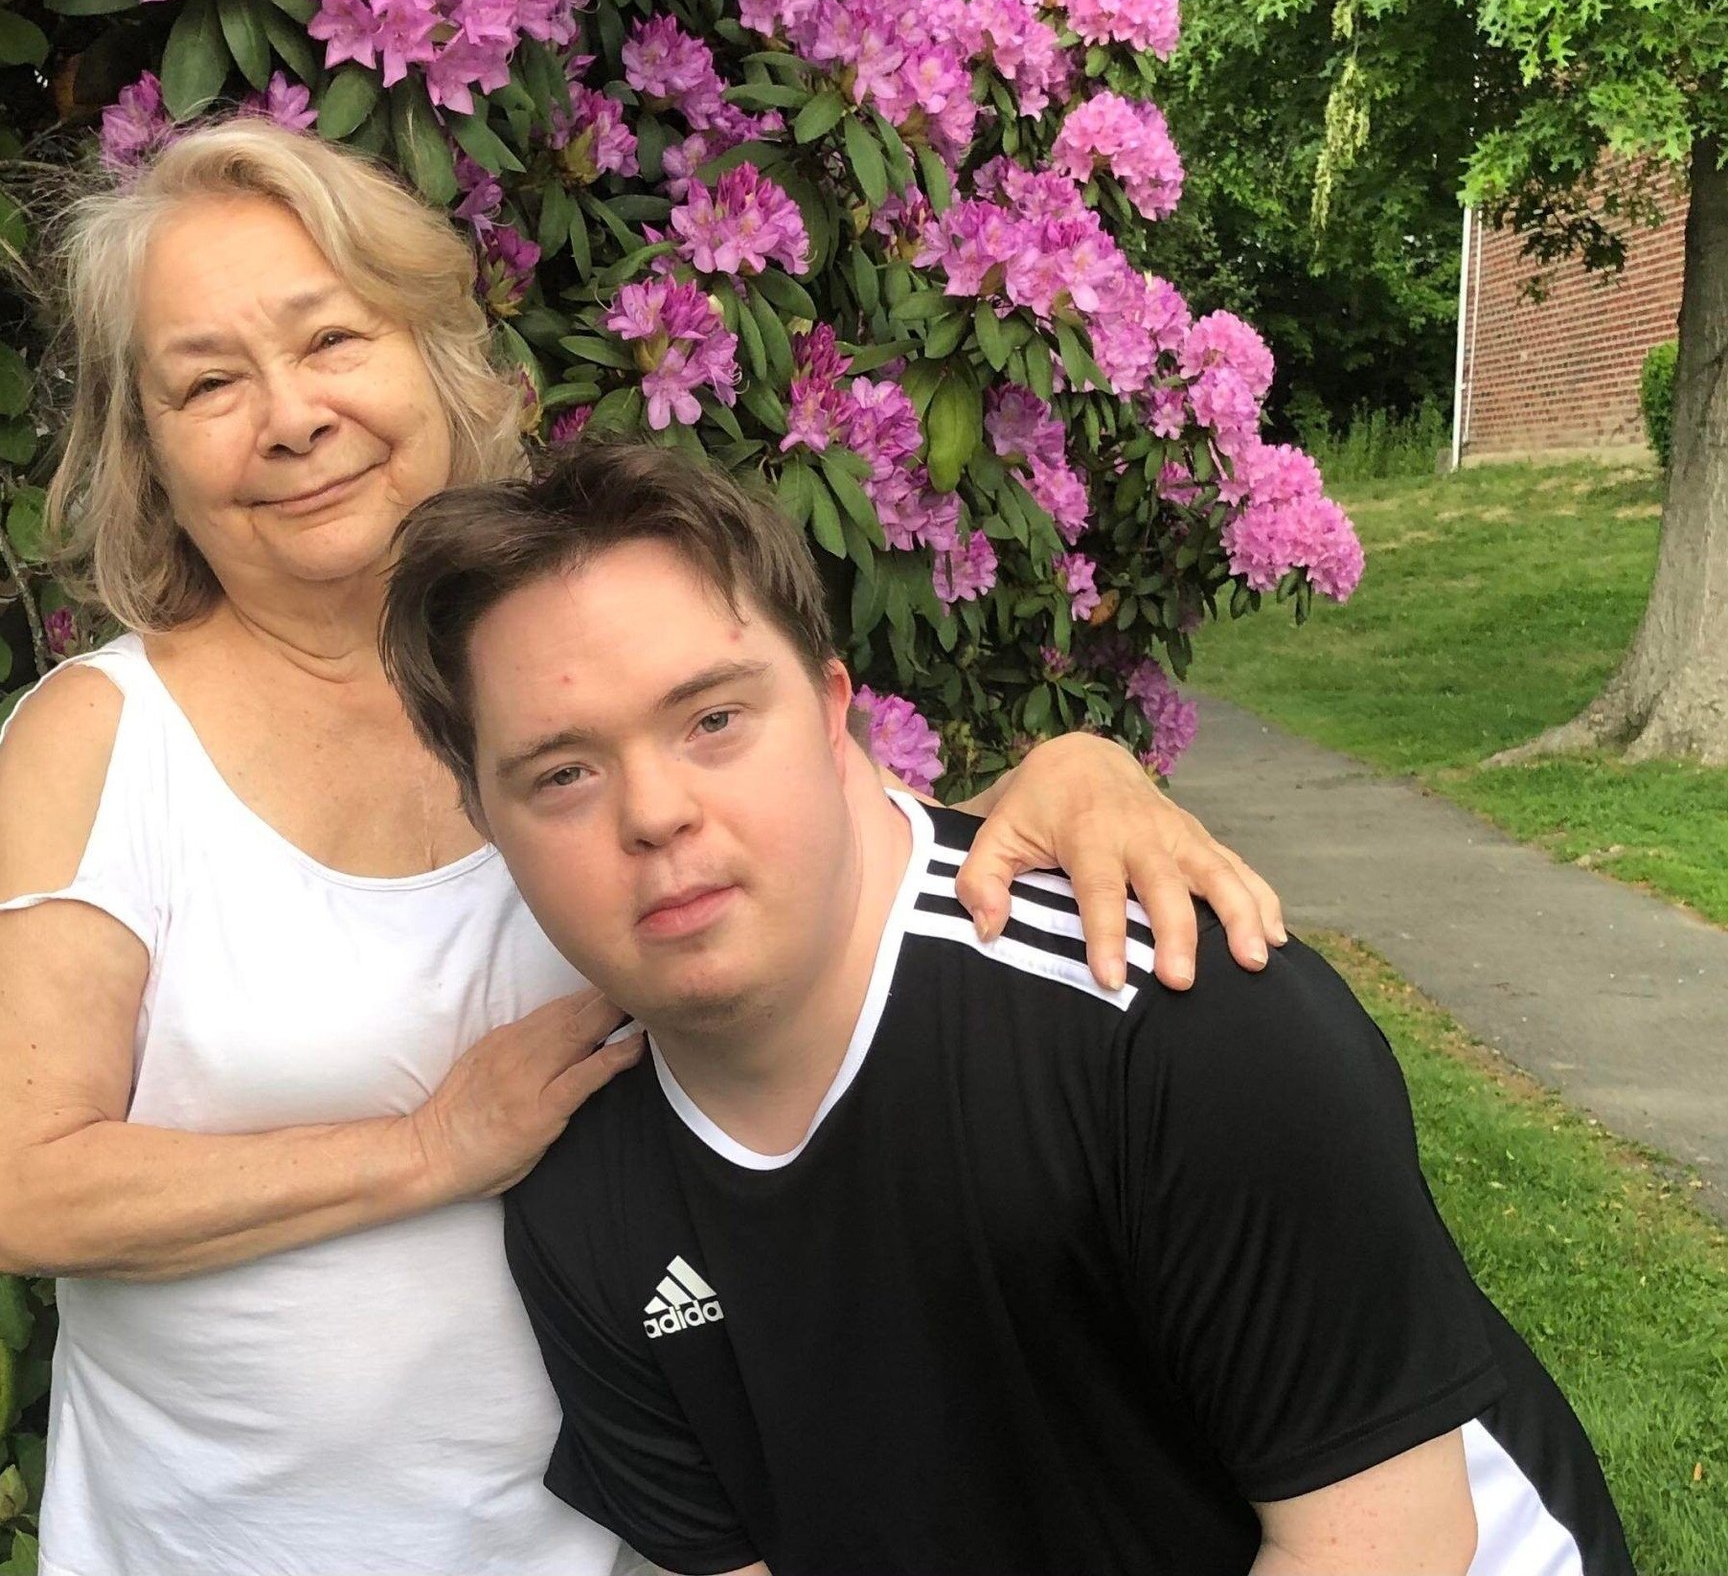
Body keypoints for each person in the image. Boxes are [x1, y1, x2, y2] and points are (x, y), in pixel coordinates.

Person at [0, 118, 1289, 1576]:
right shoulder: (104, 737)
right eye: (207, 381)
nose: (289, 416)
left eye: (334, 338)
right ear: (146, 451)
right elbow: (15, 1188)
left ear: (436, 359)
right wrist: (422, 1151)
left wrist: (1076, 773)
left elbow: (833, 868)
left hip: (650, 1539)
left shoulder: (577, 661)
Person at [382, 442, 1634, 1576]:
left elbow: (1384, 1545)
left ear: (830, 716)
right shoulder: (582, 1183)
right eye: (561, 771)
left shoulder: (1172, 1023)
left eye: (712, 718)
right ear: (487, 820)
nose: (651, 811)